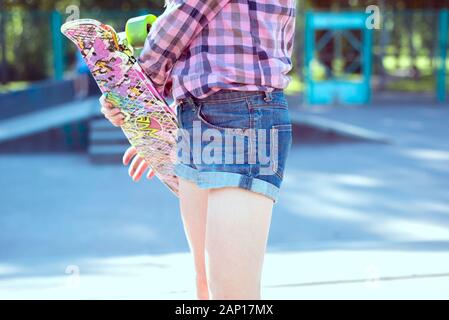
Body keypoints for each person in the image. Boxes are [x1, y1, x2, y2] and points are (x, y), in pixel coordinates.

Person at [99, 0, 296, 300]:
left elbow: (189, 10)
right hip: (195, 117)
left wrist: (135, 89)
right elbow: (200, 36)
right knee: (204, 290)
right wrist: (150, 116)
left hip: (243, 115)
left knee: (233, 298)